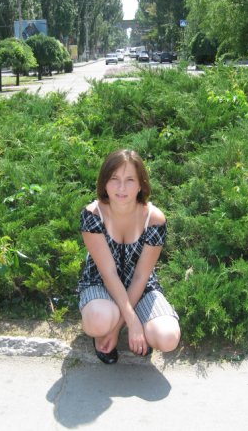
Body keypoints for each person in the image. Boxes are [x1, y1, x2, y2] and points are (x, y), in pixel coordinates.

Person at [78, 149, 181, 364]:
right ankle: (109, 328)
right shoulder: (93, 215)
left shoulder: (154, 219)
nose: (121, 187)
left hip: (142, 288)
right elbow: (108, 273)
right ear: (104, 182)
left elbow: (141, 277)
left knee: (168, 337)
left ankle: (129, 326)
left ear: (141, 184)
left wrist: (118, 329)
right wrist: (131, 322)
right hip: (100, 283)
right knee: (99, 320)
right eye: (114, 179)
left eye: (130, 180)